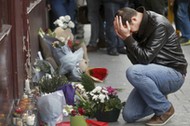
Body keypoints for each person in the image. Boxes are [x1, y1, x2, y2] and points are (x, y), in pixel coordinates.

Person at [114, 7, 187, 126]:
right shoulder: (137, 28)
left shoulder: (158, 24)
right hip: (155, 74)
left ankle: (165, 109)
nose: (129, 33)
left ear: (133, 19)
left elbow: (144, 59)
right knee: (129, 115)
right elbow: (138, 63)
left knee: (133, 72)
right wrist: (126, 40)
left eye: (129, 31)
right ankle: (159, 98)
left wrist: (128, 38)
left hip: (174, 74)